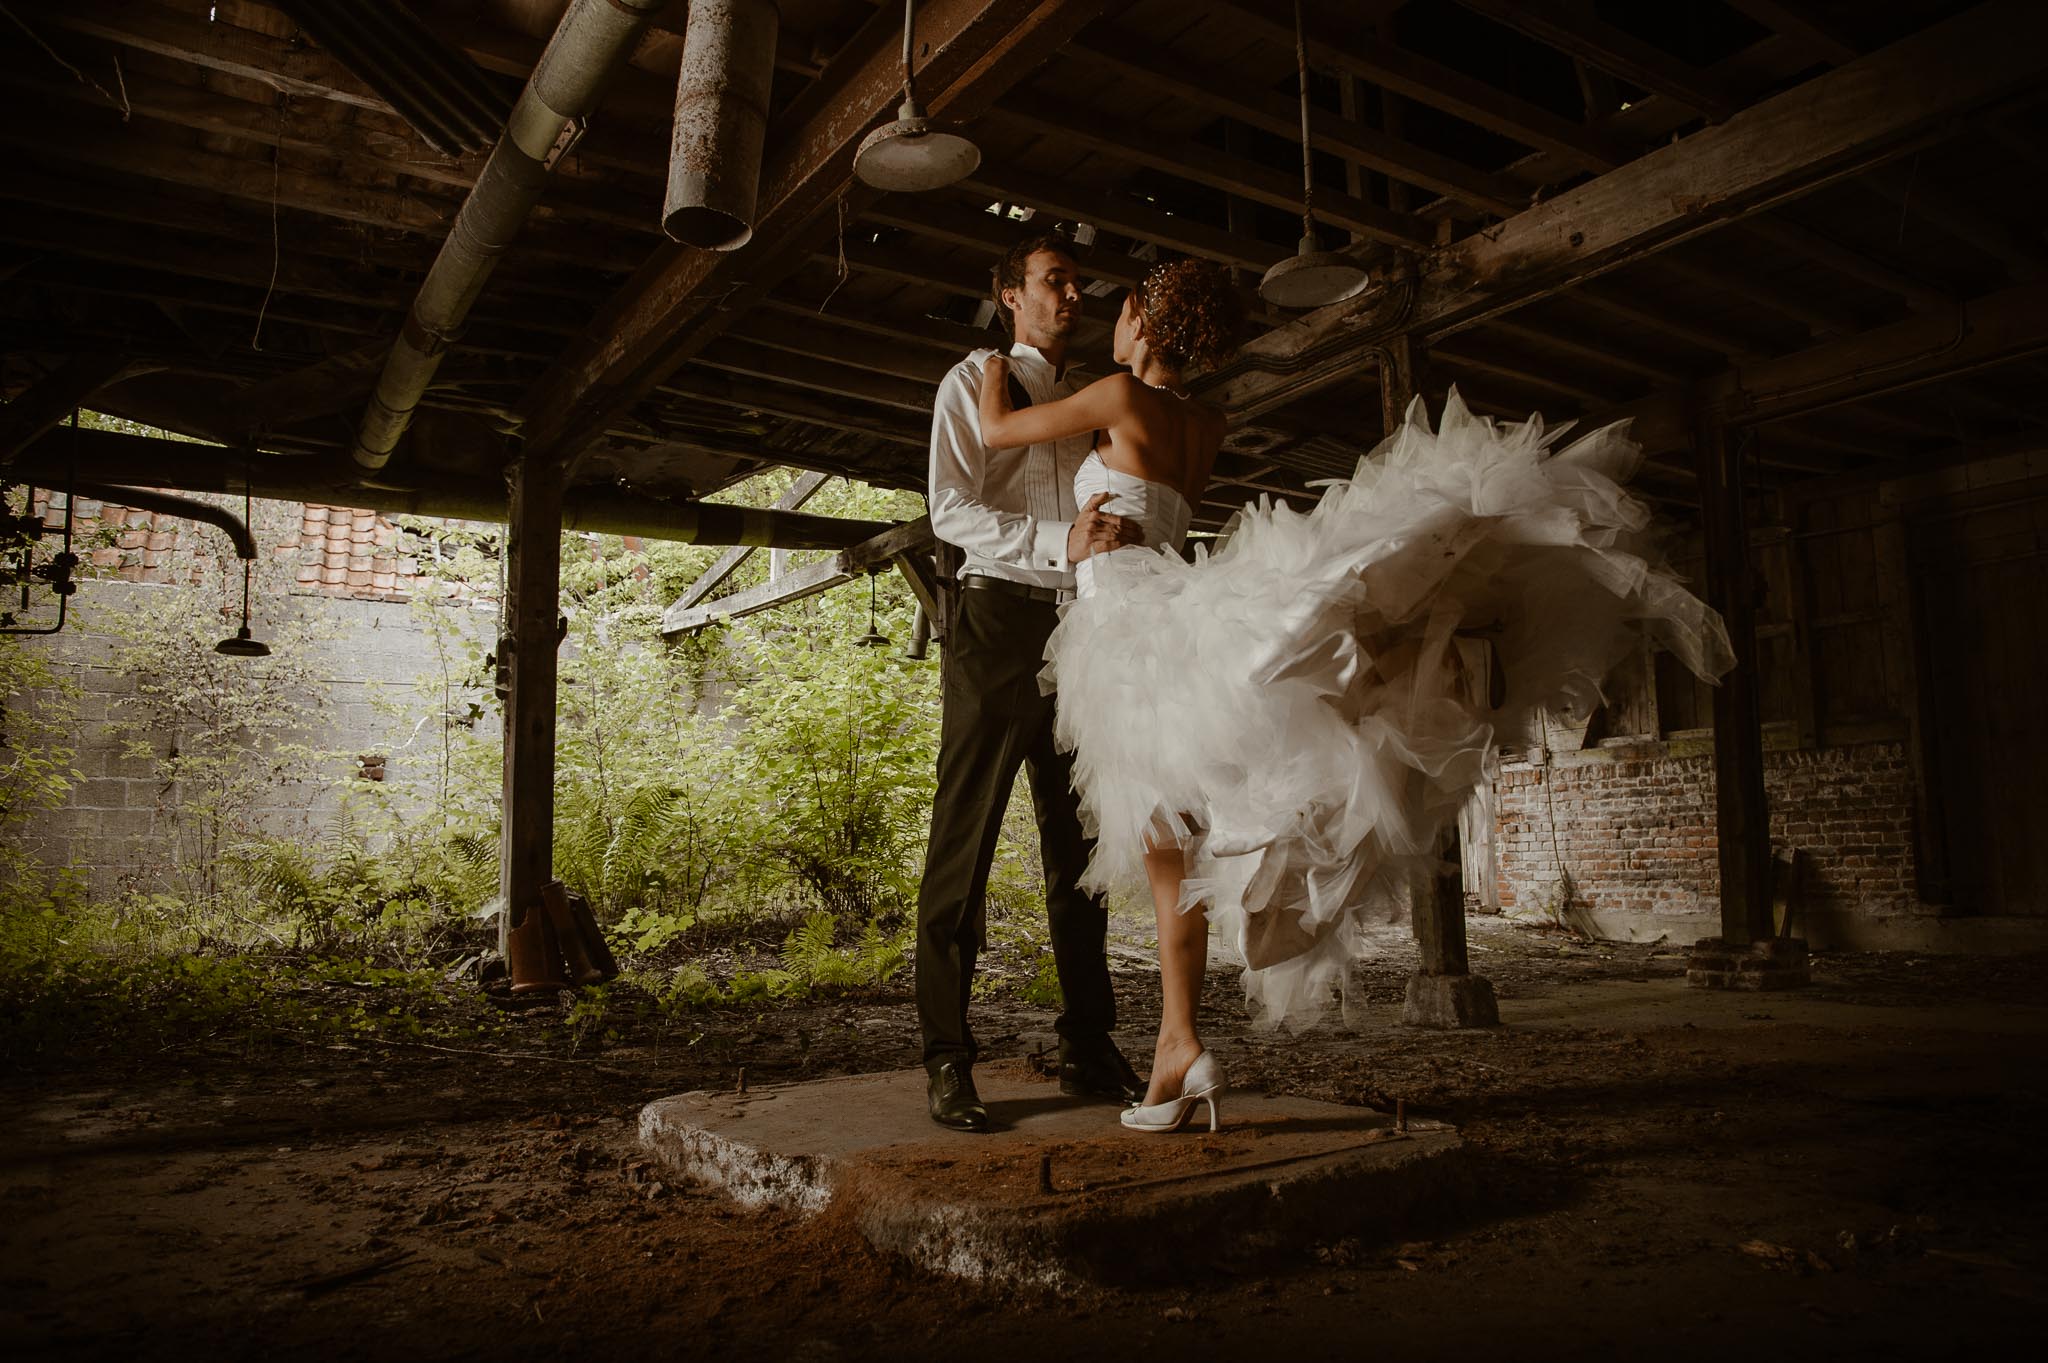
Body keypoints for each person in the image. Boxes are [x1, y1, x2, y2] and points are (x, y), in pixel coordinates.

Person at [980, 259, 1737, 1136]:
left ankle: (1180, 1050)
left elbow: (999, 430)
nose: (1109, 322)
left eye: (1122, 310)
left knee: (1166, 857)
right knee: (1173, 860)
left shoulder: (1116, 396)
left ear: (1143, 326)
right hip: (1170, 614)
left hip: (1127, 639)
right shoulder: (1204, 420)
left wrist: (998, 356)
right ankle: (1176, 1048)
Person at [915, 234, 1148, 1134]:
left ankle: (1089, 1045)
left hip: (1079, 625)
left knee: (1079, 851)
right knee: (962, 845)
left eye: (1078, 284)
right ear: (1011, 295)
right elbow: (952, 508)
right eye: (1055, 282)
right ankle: (946, 1056)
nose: (1074, 295)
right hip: (997, 625)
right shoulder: (972, 383)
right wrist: (1059, 543)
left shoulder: (1090, 398)